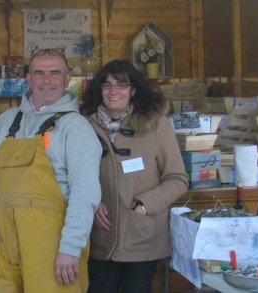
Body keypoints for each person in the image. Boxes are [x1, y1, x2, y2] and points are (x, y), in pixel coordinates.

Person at [0, 48, 102, 292]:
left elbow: (85, 194)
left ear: (66, 79)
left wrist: (71, 248)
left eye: (55, 73)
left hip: (53, 249)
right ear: (28, 79)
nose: (47, 80)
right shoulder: (6, 120)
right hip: (5, 245)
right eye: (39, 73)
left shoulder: (76, 128)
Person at [79, 59, 188, 293]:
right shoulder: (84, 125)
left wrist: (144, 205)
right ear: (100, 90)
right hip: (101, 236)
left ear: (134, 89)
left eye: (121, 84)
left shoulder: (156, 124)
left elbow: (178, 179)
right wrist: (92, 202)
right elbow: (75, 175)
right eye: (106, 85)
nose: (113, 91)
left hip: (142, 237)